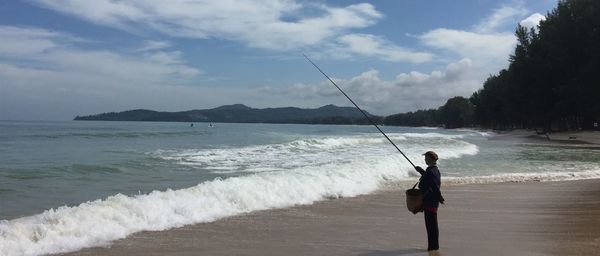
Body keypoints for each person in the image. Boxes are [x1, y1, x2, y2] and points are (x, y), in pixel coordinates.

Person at [415, 151, 444, 251]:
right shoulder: (434, 170)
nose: (425, 160)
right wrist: (421, 171)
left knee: (431, 225)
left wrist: (440, 197)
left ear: (430, 159)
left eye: (426, 158)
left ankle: (433, 247)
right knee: (432, 224)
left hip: (430, 201)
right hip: (432, 201)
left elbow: (435, 186)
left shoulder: (431, 172)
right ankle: (433, 245)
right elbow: (429, 179)